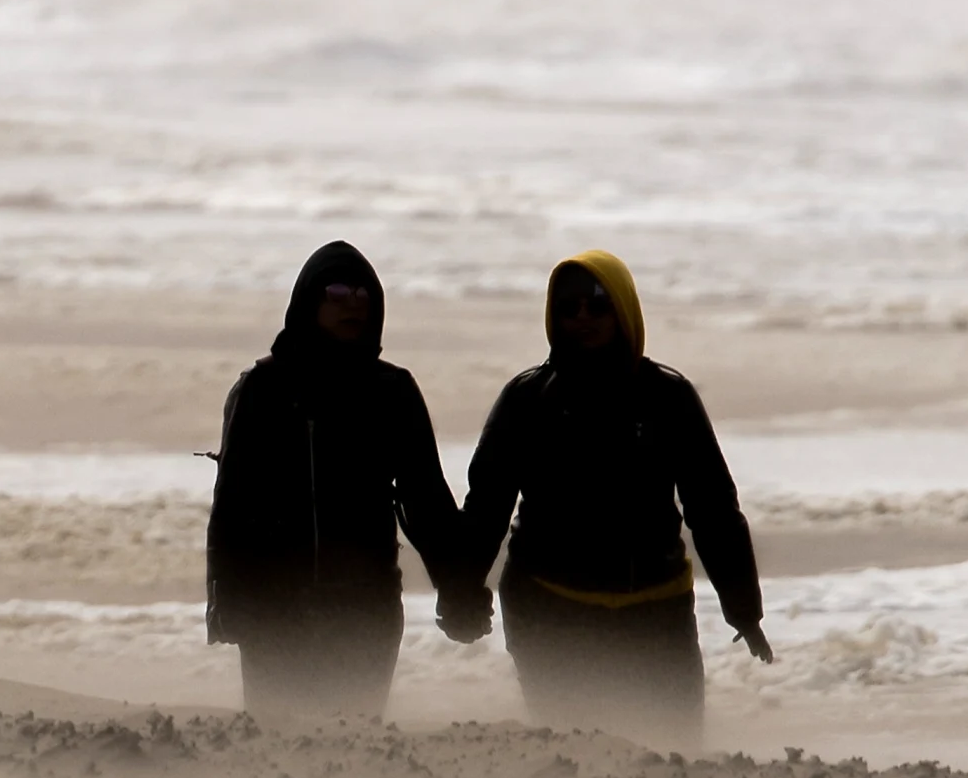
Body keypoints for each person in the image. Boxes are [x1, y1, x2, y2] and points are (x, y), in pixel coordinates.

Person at [440, 251, 768, 747]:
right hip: (549, 609)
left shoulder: (668, 397)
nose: (583, 316)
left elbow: (713, 508)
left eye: (597, 304)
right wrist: (461, 595)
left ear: (624, 309)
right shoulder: (528, 399)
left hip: (657, 612)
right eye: (568, 307)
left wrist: (743, 608)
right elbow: (487, 508)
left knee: (673, 752)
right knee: (576, 754)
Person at [205, 241, 475, 721]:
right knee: (278, 738)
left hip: (365, 610)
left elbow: (427, 501)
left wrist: (459, 590)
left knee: (355, 737)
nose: (352, 304)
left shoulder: (392, 391)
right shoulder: (262, 389)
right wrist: (224, 603)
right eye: (337, 293)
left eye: (363, 294)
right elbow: (231, 506)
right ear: (309, 301)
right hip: (274, 611)